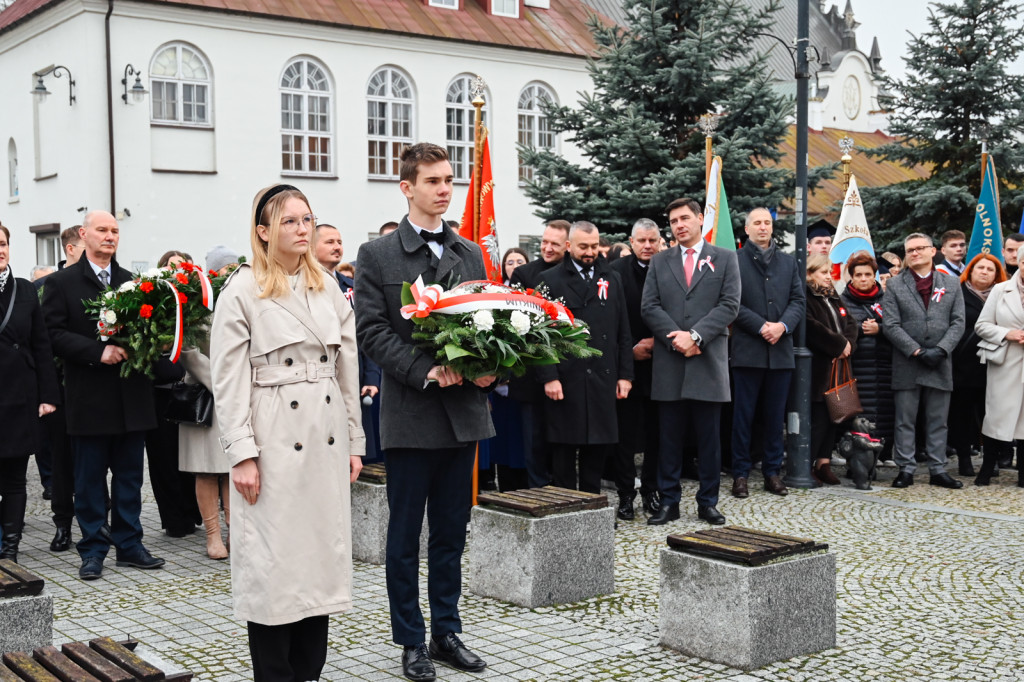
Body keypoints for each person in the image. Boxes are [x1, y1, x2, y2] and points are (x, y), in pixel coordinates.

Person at [210, 184, 364, 680]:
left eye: (308, 219)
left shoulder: (328, 287)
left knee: (317, 566)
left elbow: (347, 371)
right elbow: (228, 380)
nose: (303, 229)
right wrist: (241, 454)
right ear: (263, 231)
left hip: (324, 438)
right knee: (274, 570)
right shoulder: (242, 290)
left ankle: (310, 672)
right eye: (291, 221)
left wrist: (355, 443)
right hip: (272, 438)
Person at [355, 143, 495, 682]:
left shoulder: (471, 253)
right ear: (406, 187)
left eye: (449, 180)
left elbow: (493, 326)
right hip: (412, 416)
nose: (444, 189)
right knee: (405, 535)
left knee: (451, 533)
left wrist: (490, 371)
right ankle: (410, 639)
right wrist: (425, 369)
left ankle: (446, 631)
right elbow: (371, 332)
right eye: (433, 181)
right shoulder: (379, 255)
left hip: (463, 415)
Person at [42, 211, 165, 580]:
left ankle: (129, 545)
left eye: (115, 231)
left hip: (132, 398)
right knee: (90, 480)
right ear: (84, 234)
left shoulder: (135, 283)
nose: (110, 236)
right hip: (90, 398)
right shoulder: (62, 283)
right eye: (102, 230)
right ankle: (93, 549)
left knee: (129, 479)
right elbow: (52, 334)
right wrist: (98, 352)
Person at [642, 197, 740, 526]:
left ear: (700, 219)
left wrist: (696, 336)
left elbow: (730, 305)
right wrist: (678, 338)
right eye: (673, 221)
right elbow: (650, 307)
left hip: (708, 362)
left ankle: (707, 502)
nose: (679, 225)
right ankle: (669, 502)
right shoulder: (660, 262)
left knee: (709, 440)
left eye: (685, 218)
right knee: (669, 438)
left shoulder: (724, 259)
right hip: (670, 363)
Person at [536, 221, 633, 494]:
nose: (590, 252)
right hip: (567, 377)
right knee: (564, 450)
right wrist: (550, 376)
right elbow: (541, 335)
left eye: (594, 246)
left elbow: (623, 330)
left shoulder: (612, 277)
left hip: (603, 376)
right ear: (569, 246)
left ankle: (592, 508)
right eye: (583, 247)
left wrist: (625, 375)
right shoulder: (551, 280)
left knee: (597, 446)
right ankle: (566, 508)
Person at [730, 208, 804, 498]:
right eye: (757, 223)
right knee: (743, 416)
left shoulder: (788, 262)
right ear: (747, 229)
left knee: (775, 418)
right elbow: (731, 302)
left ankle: (772, 472)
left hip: (780, 351)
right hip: (748, 350)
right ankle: (740, 473)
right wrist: (762, 326)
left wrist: (783, 326)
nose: (763, 227)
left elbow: (798, 300)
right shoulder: (734, 261)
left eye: (767, 223)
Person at [881, 233, 965, 489]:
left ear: (932, 252)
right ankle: (905, 468)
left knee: (938, 420)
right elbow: (891, 324)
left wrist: (941, 349)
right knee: (905, 420)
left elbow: (958, 322)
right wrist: (916, 350)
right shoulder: (896, 285)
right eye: (910, 250)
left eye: (919, 248)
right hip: (908, 362)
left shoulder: (951, 284)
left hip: (940, 361)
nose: (914, 253)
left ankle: (938, 469)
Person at [0, 224, 60, 562]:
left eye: (3, 243)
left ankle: (10, 548)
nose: (0, 250)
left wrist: (47, 396)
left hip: (19, 397)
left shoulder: (24, 290)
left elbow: (42, 346)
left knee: (14, 480)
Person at [508, 219, 571, 488]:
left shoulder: (573, 273)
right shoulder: (524, 274)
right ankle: (538, 491)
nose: (547, 248)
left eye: (554, 244)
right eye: (544, 241)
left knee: (563, 443)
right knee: (533, 442)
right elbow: (520, 326)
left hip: (569, 373)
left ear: (568, 246)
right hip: (531, 374)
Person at [315, 222, 383, 463]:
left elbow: (367, 333)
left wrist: (372, 377)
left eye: (340, 242)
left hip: (353, 383)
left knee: (357, 458)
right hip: (319, 384)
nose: (337, 247)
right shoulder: (302, 286)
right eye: (329, 242)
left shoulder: (353, 289)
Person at [610, 219, 663, 519]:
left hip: (661, 364)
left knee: (657, 432)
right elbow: (611, 320)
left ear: (659, 242)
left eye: (652, 240)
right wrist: (631, 349)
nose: (647, 246)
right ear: (631, 243)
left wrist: (658, 341)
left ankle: (651, 491)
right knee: (625, 436)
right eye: (641, 241)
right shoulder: (616, 273)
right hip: (626, 366)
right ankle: (625, 494)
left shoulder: (668, 268)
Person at [37, 225, 84, 552]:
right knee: (62, 462)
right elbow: (41, 343)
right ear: (72, 248)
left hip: (93, 388)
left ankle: (99, 520)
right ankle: (63, 524)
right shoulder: (45, 286)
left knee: (94, 461)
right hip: (61, 388)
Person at [947, 254, 1006, 478]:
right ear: (970, 271)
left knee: (990, 414)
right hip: (963, 363)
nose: (984, 272)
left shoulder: (1003, 295)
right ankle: (964, 457)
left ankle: (992, 458)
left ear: (996, 274)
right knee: (961, 414)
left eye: (990, 269)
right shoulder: (958, 293)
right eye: (979, 267)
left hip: (994, 363)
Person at [805, 254, 858, 485]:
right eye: (823, 272)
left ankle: (823, 463)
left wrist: (848, 344)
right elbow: (811, 327)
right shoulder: (806, 295)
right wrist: (838, 345)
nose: (829, 277)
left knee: (833, 417)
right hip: (819, 368)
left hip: (839, 367)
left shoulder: (832, 295)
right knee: (818, 420)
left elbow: (851, 323)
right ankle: (805, 464)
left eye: (830, 273)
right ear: (810, 274)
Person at [840, 251, 896, 468]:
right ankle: (858, 460)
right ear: (851, 277)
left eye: (867, 274)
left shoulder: (888, 299)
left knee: (885, 413)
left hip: (885, 366)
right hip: (855, 368)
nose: (863, 279)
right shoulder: (842, 301)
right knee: (859, 415)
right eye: (858, 275)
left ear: (875, 275)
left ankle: (884, 453)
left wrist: (880, 329)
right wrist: (861, 331)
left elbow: (898, 327)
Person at [973, 257, 1024, 487]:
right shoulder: (1001, 290)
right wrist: (1007, 333)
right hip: (1006, 361)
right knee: (996, 416)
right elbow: (982, 325)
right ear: (1020, 263)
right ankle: (987, 468)